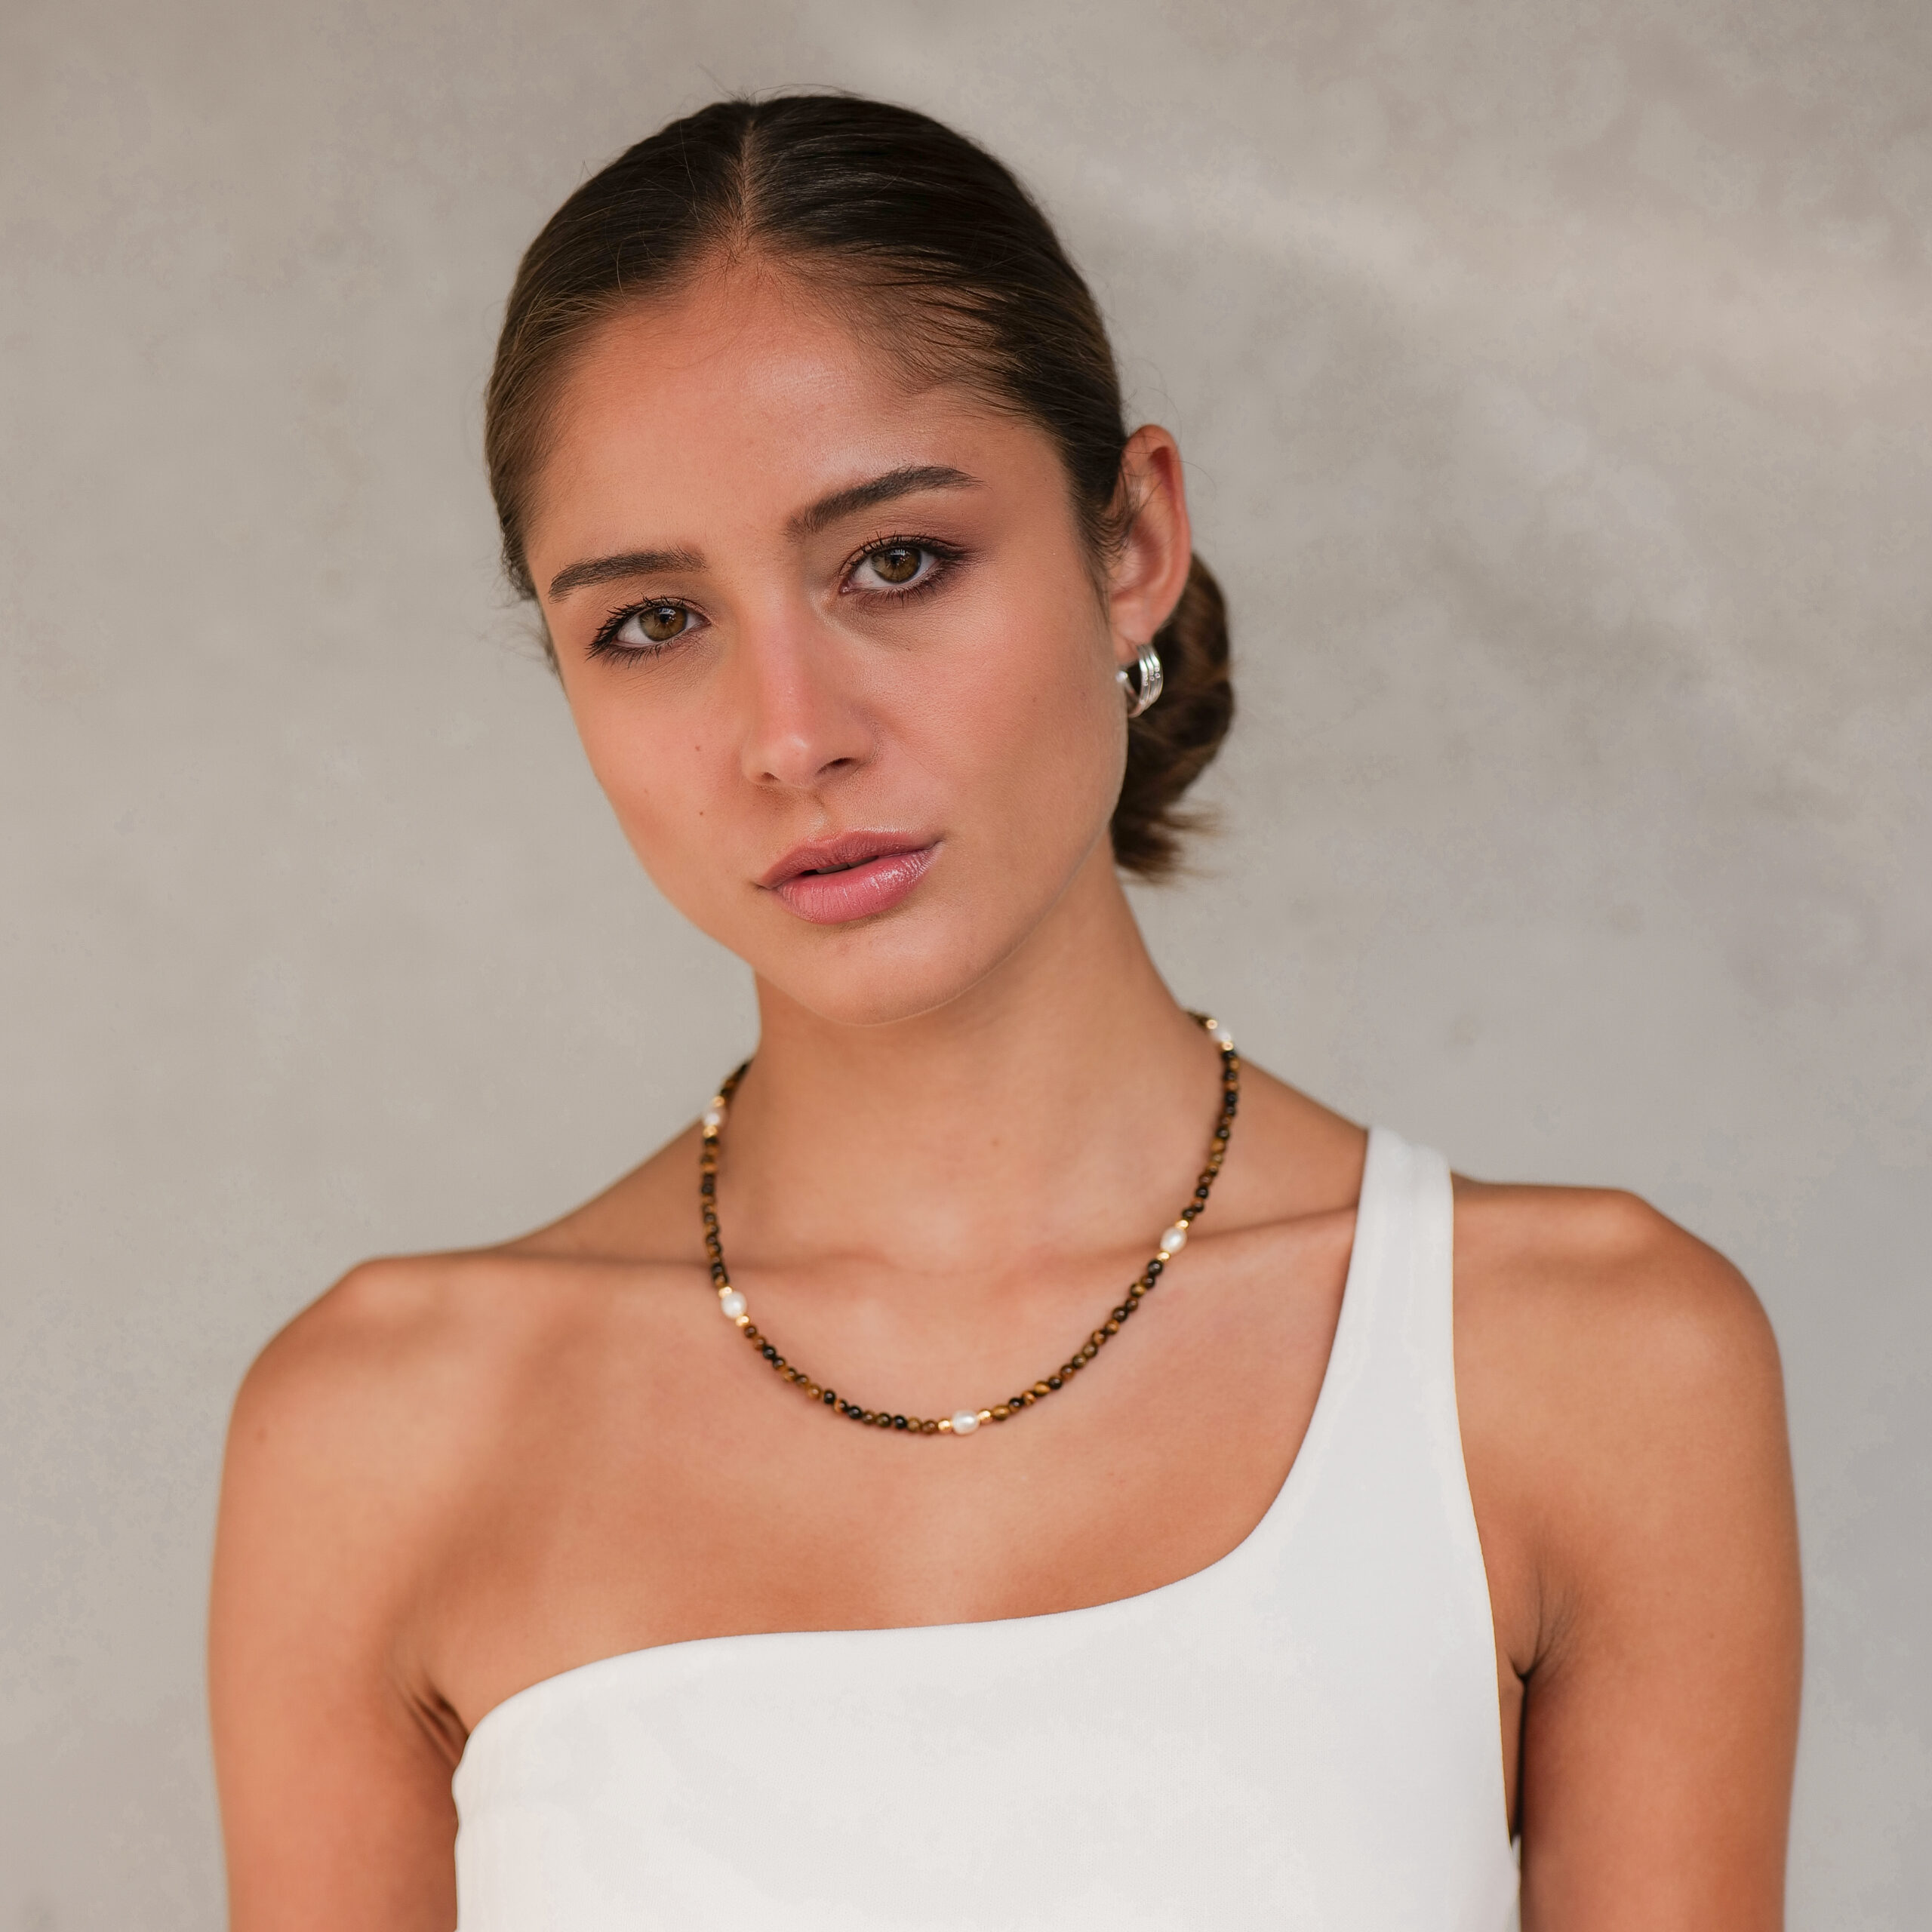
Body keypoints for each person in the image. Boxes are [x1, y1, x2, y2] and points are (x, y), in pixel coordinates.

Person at [208, 94, 1801, 1930]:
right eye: (652, 620)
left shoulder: (1584, 1364)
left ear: (1130, 542)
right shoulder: (382, 1434)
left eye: (893, 560)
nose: (791, 733)